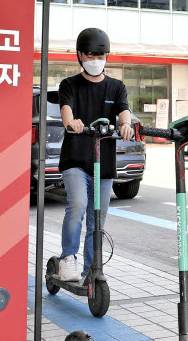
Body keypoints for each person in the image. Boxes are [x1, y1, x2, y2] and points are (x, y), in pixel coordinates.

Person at [57, 27, 134, 283]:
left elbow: (124, 111)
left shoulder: (116, 87)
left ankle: (92, 267)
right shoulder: (69, 85)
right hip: (76, 161)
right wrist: (72, 123)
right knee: (78, 205)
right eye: (90, 55)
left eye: (100, 55)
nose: (95, 60)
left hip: (103, 162)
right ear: (80, 55)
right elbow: (66, 111)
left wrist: (126, 125)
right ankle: (68, 258)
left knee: (97, 220)